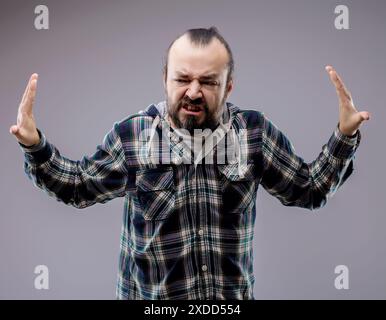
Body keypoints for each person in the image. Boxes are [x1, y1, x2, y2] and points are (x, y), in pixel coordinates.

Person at [10, 27, 370, 300]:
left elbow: (309, 191)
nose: (194, 91)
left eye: (208, 81)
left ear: (228, 88)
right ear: (165, 80)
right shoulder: (133, 136)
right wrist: (34, 144)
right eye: (183, 79)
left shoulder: (254, 134)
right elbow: (77, 187)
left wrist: (344, 134)